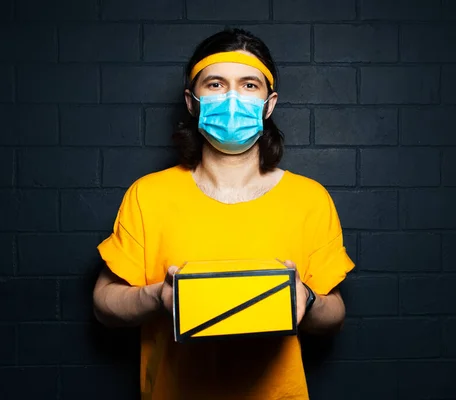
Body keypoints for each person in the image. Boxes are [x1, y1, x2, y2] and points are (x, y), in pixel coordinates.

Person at [92, 28, 355, 400]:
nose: (233, 98)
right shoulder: (148, 195)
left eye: (249, 86)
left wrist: (307, 300)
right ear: (191, 100)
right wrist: (157, 298)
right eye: (215, 84)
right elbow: (104, 305)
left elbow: (335, 316)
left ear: (270, 103)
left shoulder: (309, 199)